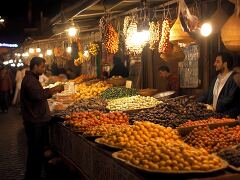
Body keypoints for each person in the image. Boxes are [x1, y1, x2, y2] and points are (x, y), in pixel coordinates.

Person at [20, 57, 64, 180]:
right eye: (42, 66)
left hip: (36, 120)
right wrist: (54, 89)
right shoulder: (30, 81)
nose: (44, 69)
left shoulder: (32, 79)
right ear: (35, 66)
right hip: (35, 123)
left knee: (36, 152)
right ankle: (32, 176)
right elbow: (38, 95)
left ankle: (33, 175)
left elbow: (38, 93)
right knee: (35, 153)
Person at [198, 52, 240, 118]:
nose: (214, 64)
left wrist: (214, 107)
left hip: (228, 118)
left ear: (225, 64)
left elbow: (229, 99)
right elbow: (206, 95)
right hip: (215, 117)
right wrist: (195, 103)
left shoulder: (234, 79)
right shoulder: (215, 79)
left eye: (217, 62)